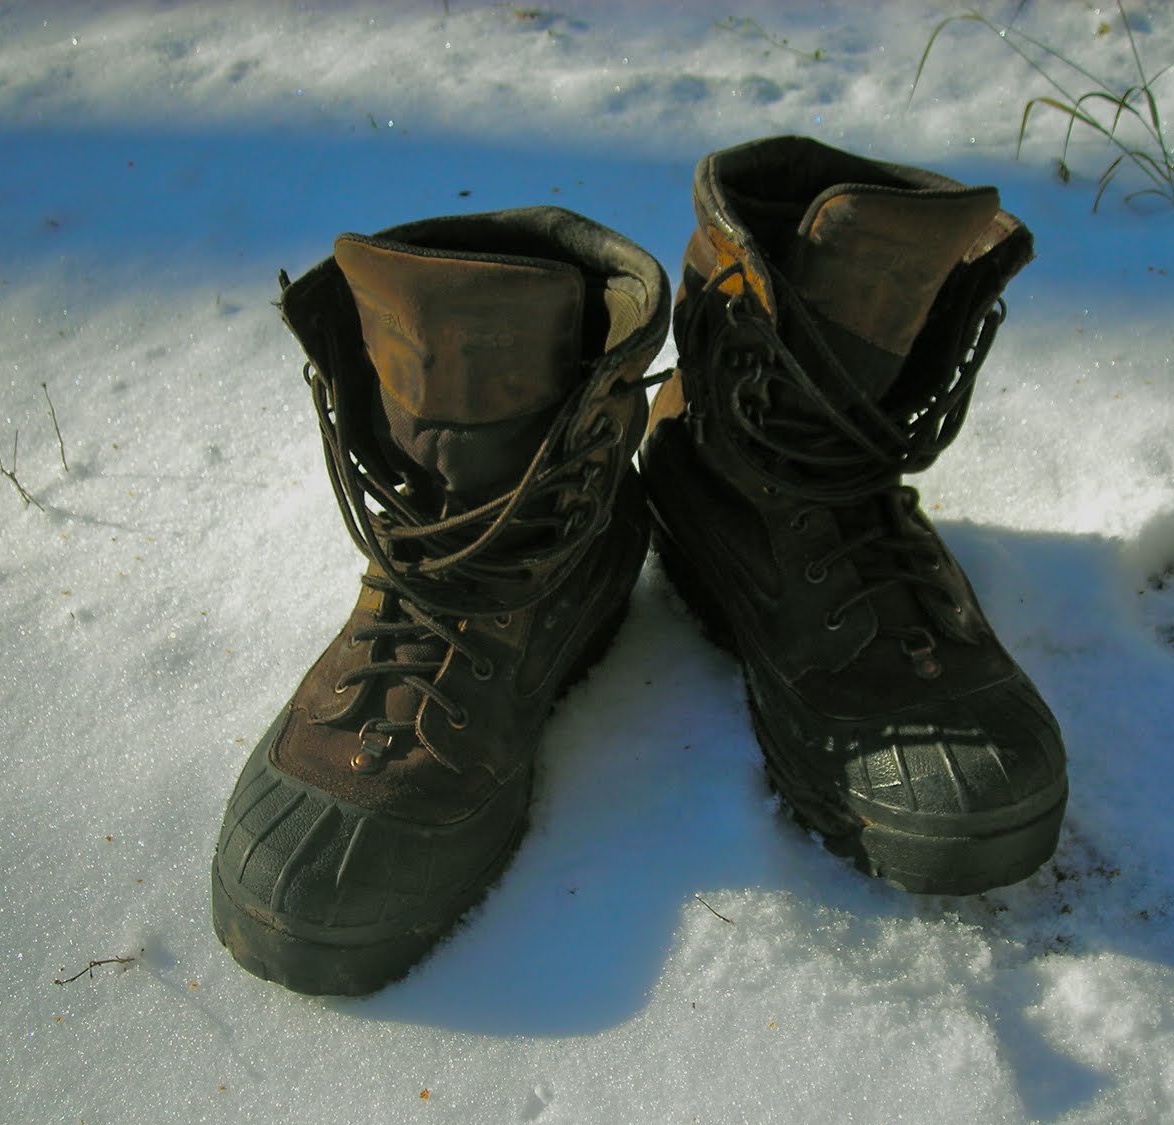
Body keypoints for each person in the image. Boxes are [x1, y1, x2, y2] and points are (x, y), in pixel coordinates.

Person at [210, 137, 1068, 996]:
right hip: (551, 557)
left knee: (833, 396)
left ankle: (736, 494)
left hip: (742, 488)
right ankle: (531, 571)